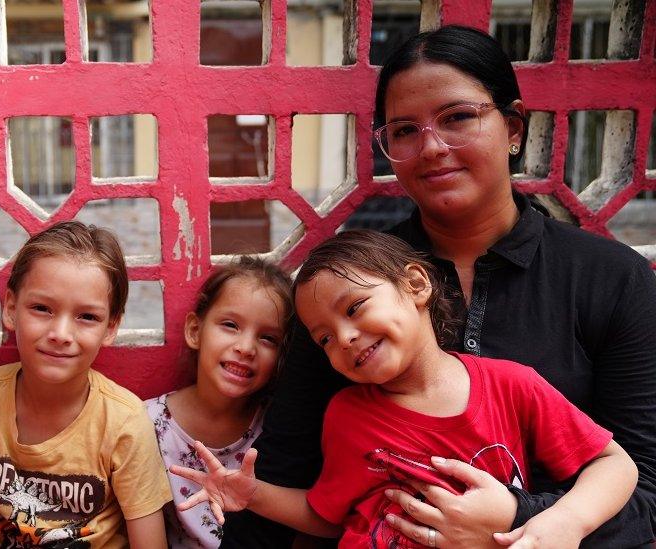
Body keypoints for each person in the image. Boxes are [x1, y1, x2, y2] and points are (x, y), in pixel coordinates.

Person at [221, 25, 656, 548]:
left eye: (458, 118)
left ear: (514, 127)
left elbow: (646, 489)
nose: (431, 148)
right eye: (405, 131)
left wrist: (517, 516)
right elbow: (288, 472)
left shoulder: (611, 279)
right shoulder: (348, 291)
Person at [175, 230, 638, 548]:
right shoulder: (347, 414)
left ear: (416, 284)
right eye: (325, 339)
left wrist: (564, 522)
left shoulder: (512, 385)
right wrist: (251, 494)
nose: (346, 337)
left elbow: (614, 464)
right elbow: (327, 513)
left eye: (354, 308)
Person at [0, 221, 172, 548]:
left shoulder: (124, 421)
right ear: (11, 308)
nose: (60, 333)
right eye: (42, 309)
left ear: (111, 326)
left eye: (87, 317)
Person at [144, 256, 292, 547]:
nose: (246, 347)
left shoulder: (279, 429)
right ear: (195, 331)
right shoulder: (146, 423)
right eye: (230, 325)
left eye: (268, 339)